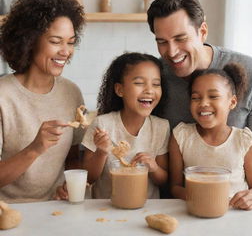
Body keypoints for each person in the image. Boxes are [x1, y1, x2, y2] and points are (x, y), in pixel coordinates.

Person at [0, 0, 86, 203]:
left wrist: (68, 184)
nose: (65, 51)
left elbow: (73, 157)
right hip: (8, 213)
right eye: (56, 41)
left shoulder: (71, 93)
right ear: (30, 41)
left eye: (71, 42)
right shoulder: (3, 96)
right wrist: (35, 148)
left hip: (53, 211)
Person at [56, 52, 170, 200]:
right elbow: (89, 178)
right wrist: (101, 152)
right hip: (105, 209)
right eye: (139, 83)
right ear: (119, 90)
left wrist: (153, 167)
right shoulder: (101, 124)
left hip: (145, 208)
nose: (149, 90)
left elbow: (163, 180)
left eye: (156, 84)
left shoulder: (161, 127)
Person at [147, 0, 252, 134]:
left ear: (203, 32)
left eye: (181, 39)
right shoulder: (154, 78)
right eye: (162, 42)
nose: (172, 52)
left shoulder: (251, 71)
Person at [169, 63, 252, 210]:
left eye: (213, 96)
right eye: (195, 98)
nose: (203, 103)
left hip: (235, 215)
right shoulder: (181, 136)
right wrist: (196, 197)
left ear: (232, 102)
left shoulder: (244, 141)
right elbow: (175, 187)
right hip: (196, 212)